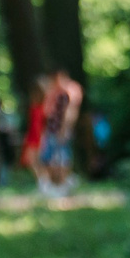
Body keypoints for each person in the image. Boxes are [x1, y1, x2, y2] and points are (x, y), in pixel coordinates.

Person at [37, 70, 83, 198]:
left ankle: (63, 186)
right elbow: (47, 112)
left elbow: (70, 112)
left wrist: (65, 128)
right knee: (51, 158)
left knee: (61, 158)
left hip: (59, 131)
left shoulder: (69, 92)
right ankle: (57, 186)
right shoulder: (57, 93)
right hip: (52, 130)